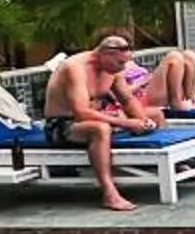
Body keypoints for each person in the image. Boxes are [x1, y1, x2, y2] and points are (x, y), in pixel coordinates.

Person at [44, 42, 160, 212]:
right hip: (62, 125)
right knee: (100, 129)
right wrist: (127, 123)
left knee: (155, 114)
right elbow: (81, 112)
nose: (123, 68)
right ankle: (109, 193)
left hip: (94, 119)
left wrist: (143, 121)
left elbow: (127, 100)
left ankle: (178, 166)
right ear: (105, 54)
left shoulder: (113, 70)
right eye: (120, 63)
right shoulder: (74, 68)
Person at [96, 30, 195, 116]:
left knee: (190, 56)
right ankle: (176, 102)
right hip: (141, 98)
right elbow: (117, 96)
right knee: (173, 58)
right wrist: (142, 81)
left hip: (148, 89)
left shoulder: (126, 62)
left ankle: (191, 96)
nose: (127, 51)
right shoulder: (108, 69)